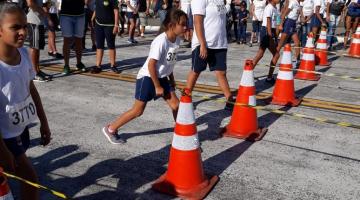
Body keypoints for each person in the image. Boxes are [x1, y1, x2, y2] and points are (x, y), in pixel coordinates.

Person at [102, 9, 187, 144]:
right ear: (172, 25)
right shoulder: (161, 41)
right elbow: (151, 65)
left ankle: (182, 134)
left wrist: (172, 81)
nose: (185, 27)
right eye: (182, 24)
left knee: (177, 106)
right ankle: (111, 129)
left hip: (162, 77)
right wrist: (157, 86)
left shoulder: (176, 40)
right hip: (147, 77)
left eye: (185, 24)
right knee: (138, 111)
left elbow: (169, 63)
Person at [0, 2, 51, 199]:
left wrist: (44, 123)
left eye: (24, 26)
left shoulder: (22, 53)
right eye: (15, 27)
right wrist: (3, 149)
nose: (23, 31)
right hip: (5, 137)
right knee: (30, 177)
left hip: (20, 129)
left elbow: (31, 88)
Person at [186, 0, 235, 110]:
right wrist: (203, 44)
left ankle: (229, 99)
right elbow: (197, 21)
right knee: (195, 71)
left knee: (221, 72)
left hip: (219, 43)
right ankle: (186, 98)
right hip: (203, 42)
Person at [252, 0, 280, 84]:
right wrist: (270, 35)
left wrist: (277, 33)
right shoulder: (269, 8)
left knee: (260, 54)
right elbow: (268, 21)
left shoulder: (276, 8)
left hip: (271, 31)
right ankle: (269, 77)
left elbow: (277, 21)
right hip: (267, 31)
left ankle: (248, 71)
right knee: (276, 54)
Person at [90, 0, 121, 74]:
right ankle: (98, 66)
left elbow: (116, 11)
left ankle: (113, 65)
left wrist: (116, 25)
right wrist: (92, 18)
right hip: (98, 24)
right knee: (99, 45)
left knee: (111, 45)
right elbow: (96, 9)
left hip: (109, 25)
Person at [26, 0, 53, 82]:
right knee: (34, 47)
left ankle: (37, 70)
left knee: (37, 47)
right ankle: (33, 73)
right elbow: (30, 3)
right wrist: (44, 13)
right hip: (33, 21)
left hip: (39, 21)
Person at [271, 0, 302, 67]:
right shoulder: (293, 2)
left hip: (293, 23)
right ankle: (274, 58)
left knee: (297, 42)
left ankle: (298, 61)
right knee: (281, 43)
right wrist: (281, 24)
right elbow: (285, 13)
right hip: (289, 22)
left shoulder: (298, 4)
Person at [59, 0, 87, 75]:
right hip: (66, 14)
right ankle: (66, 65)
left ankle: (79, 63)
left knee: (79, 40)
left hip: (80, 14)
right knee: (67, 40)